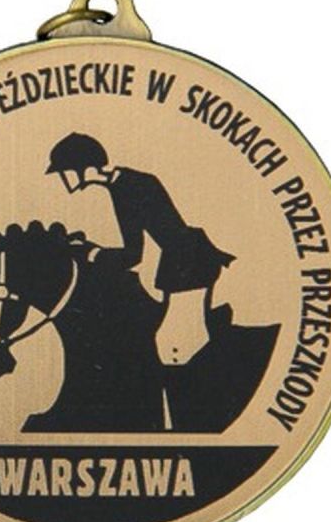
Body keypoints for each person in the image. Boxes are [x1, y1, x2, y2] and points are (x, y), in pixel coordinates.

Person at [46, 132, 235, 374]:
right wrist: (92, 249)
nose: (64, 179)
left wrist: (91, 253)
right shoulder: (120, 185)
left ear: (84, 168)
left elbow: (134, 255)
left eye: (65, 172)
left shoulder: (130, 186)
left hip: (188, 265)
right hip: (179, 264)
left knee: (174, 351)